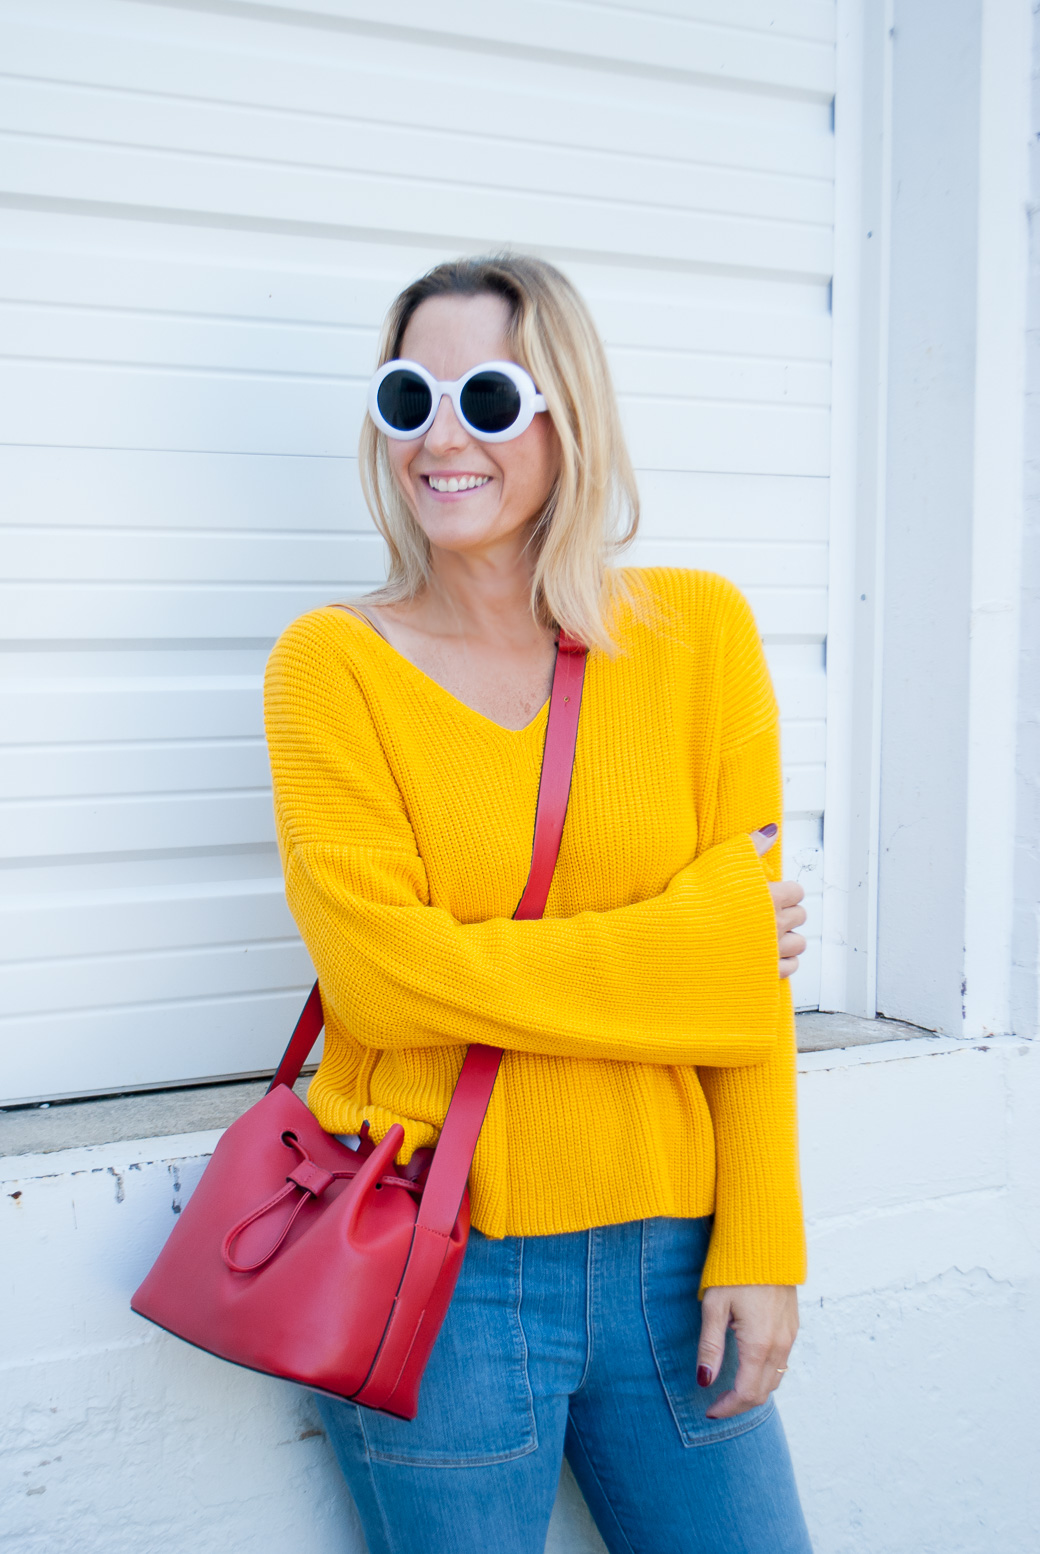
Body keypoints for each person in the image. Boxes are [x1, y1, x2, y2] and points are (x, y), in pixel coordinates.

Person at [263, 254, 811, 1554]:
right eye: (409, 397)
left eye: (490, 398)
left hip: (682, 1261)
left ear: (570, 412)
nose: (443, 437)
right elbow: (381, 980)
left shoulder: (700, 637)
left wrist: (766, 1237)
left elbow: (754, 998)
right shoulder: (334, 665)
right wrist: (692, 951)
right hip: (439, 1268)